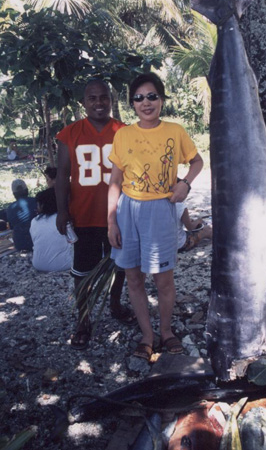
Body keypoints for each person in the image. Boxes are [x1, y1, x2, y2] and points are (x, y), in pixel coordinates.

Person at [108, 72, 203, 361]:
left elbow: (198, 161)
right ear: (131, 103)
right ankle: (147, 335)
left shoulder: (175, 131)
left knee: (163, 279)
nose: (146, 102)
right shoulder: (123, 135)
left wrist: (185, 183)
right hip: (128, 211)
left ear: (161, 99)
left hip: (161, 211)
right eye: (139, 98)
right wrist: (111, 220)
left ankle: (166, 331)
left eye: (152, 96)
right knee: (134, 279)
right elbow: (114, 181)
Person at [55, 77, 135, 351]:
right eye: (93, 98)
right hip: (85, 214)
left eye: (104, 98)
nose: (99, 103)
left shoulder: (124, 131)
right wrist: (62, 211)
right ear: (84, 102)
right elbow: (63, 175)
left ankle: (115, 304)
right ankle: (84, 319)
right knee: (82, 271)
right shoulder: (70, 133)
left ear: (111, 101)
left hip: (119, 214)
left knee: (119, 265)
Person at [30, 187, 73, 272]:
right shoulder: (66, 219)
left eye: (38, 204)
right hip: (64, 265)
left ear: (43, 205)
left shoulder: (34, 221)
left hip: (38, 264)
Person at [5, 179, 36, 251]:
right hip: (37, 241)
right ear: (27, 190)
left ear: (14, 194)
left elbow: (12, 227)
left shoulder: (10, 208)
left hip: (20, 244)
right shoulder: (37, 201)